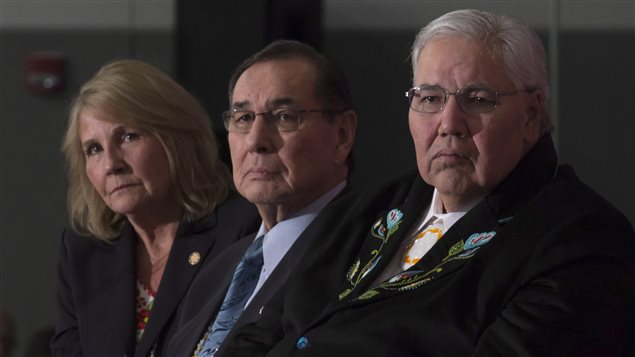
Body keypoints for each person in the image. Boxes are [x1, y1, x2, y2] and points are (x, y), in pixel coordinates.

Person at [218, 9, 635, 356]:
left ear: (530, 114)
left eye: (477, 99)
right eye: (430, 99)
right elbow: (260, 332)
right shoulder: (366, 208)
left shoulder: (581, 241)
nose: (449, 125)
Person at [50, 59, 260, 357]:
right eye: (93, 149)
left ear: (176, 139)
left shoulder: (242, 230)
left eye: (129, 136)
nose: (111, 164)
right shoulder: (81, 253)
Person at [162, 40, 358, 356]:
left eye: (283, 116)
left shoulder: (364, 257)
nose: (256, 141)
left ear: (343, 135)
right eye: (243, 118)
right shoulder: (217, 269)